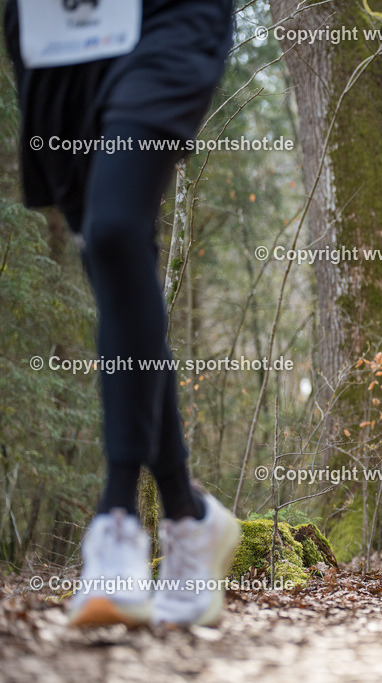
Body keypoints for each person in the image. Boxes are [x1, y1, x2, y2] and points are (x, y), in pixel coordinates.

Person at [3, 0, 240, 626]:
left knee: (112, 232)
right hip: (57, 31)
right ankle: (190, 517)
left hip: (167, 16)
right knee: (114, 260)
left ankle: (117, 520)